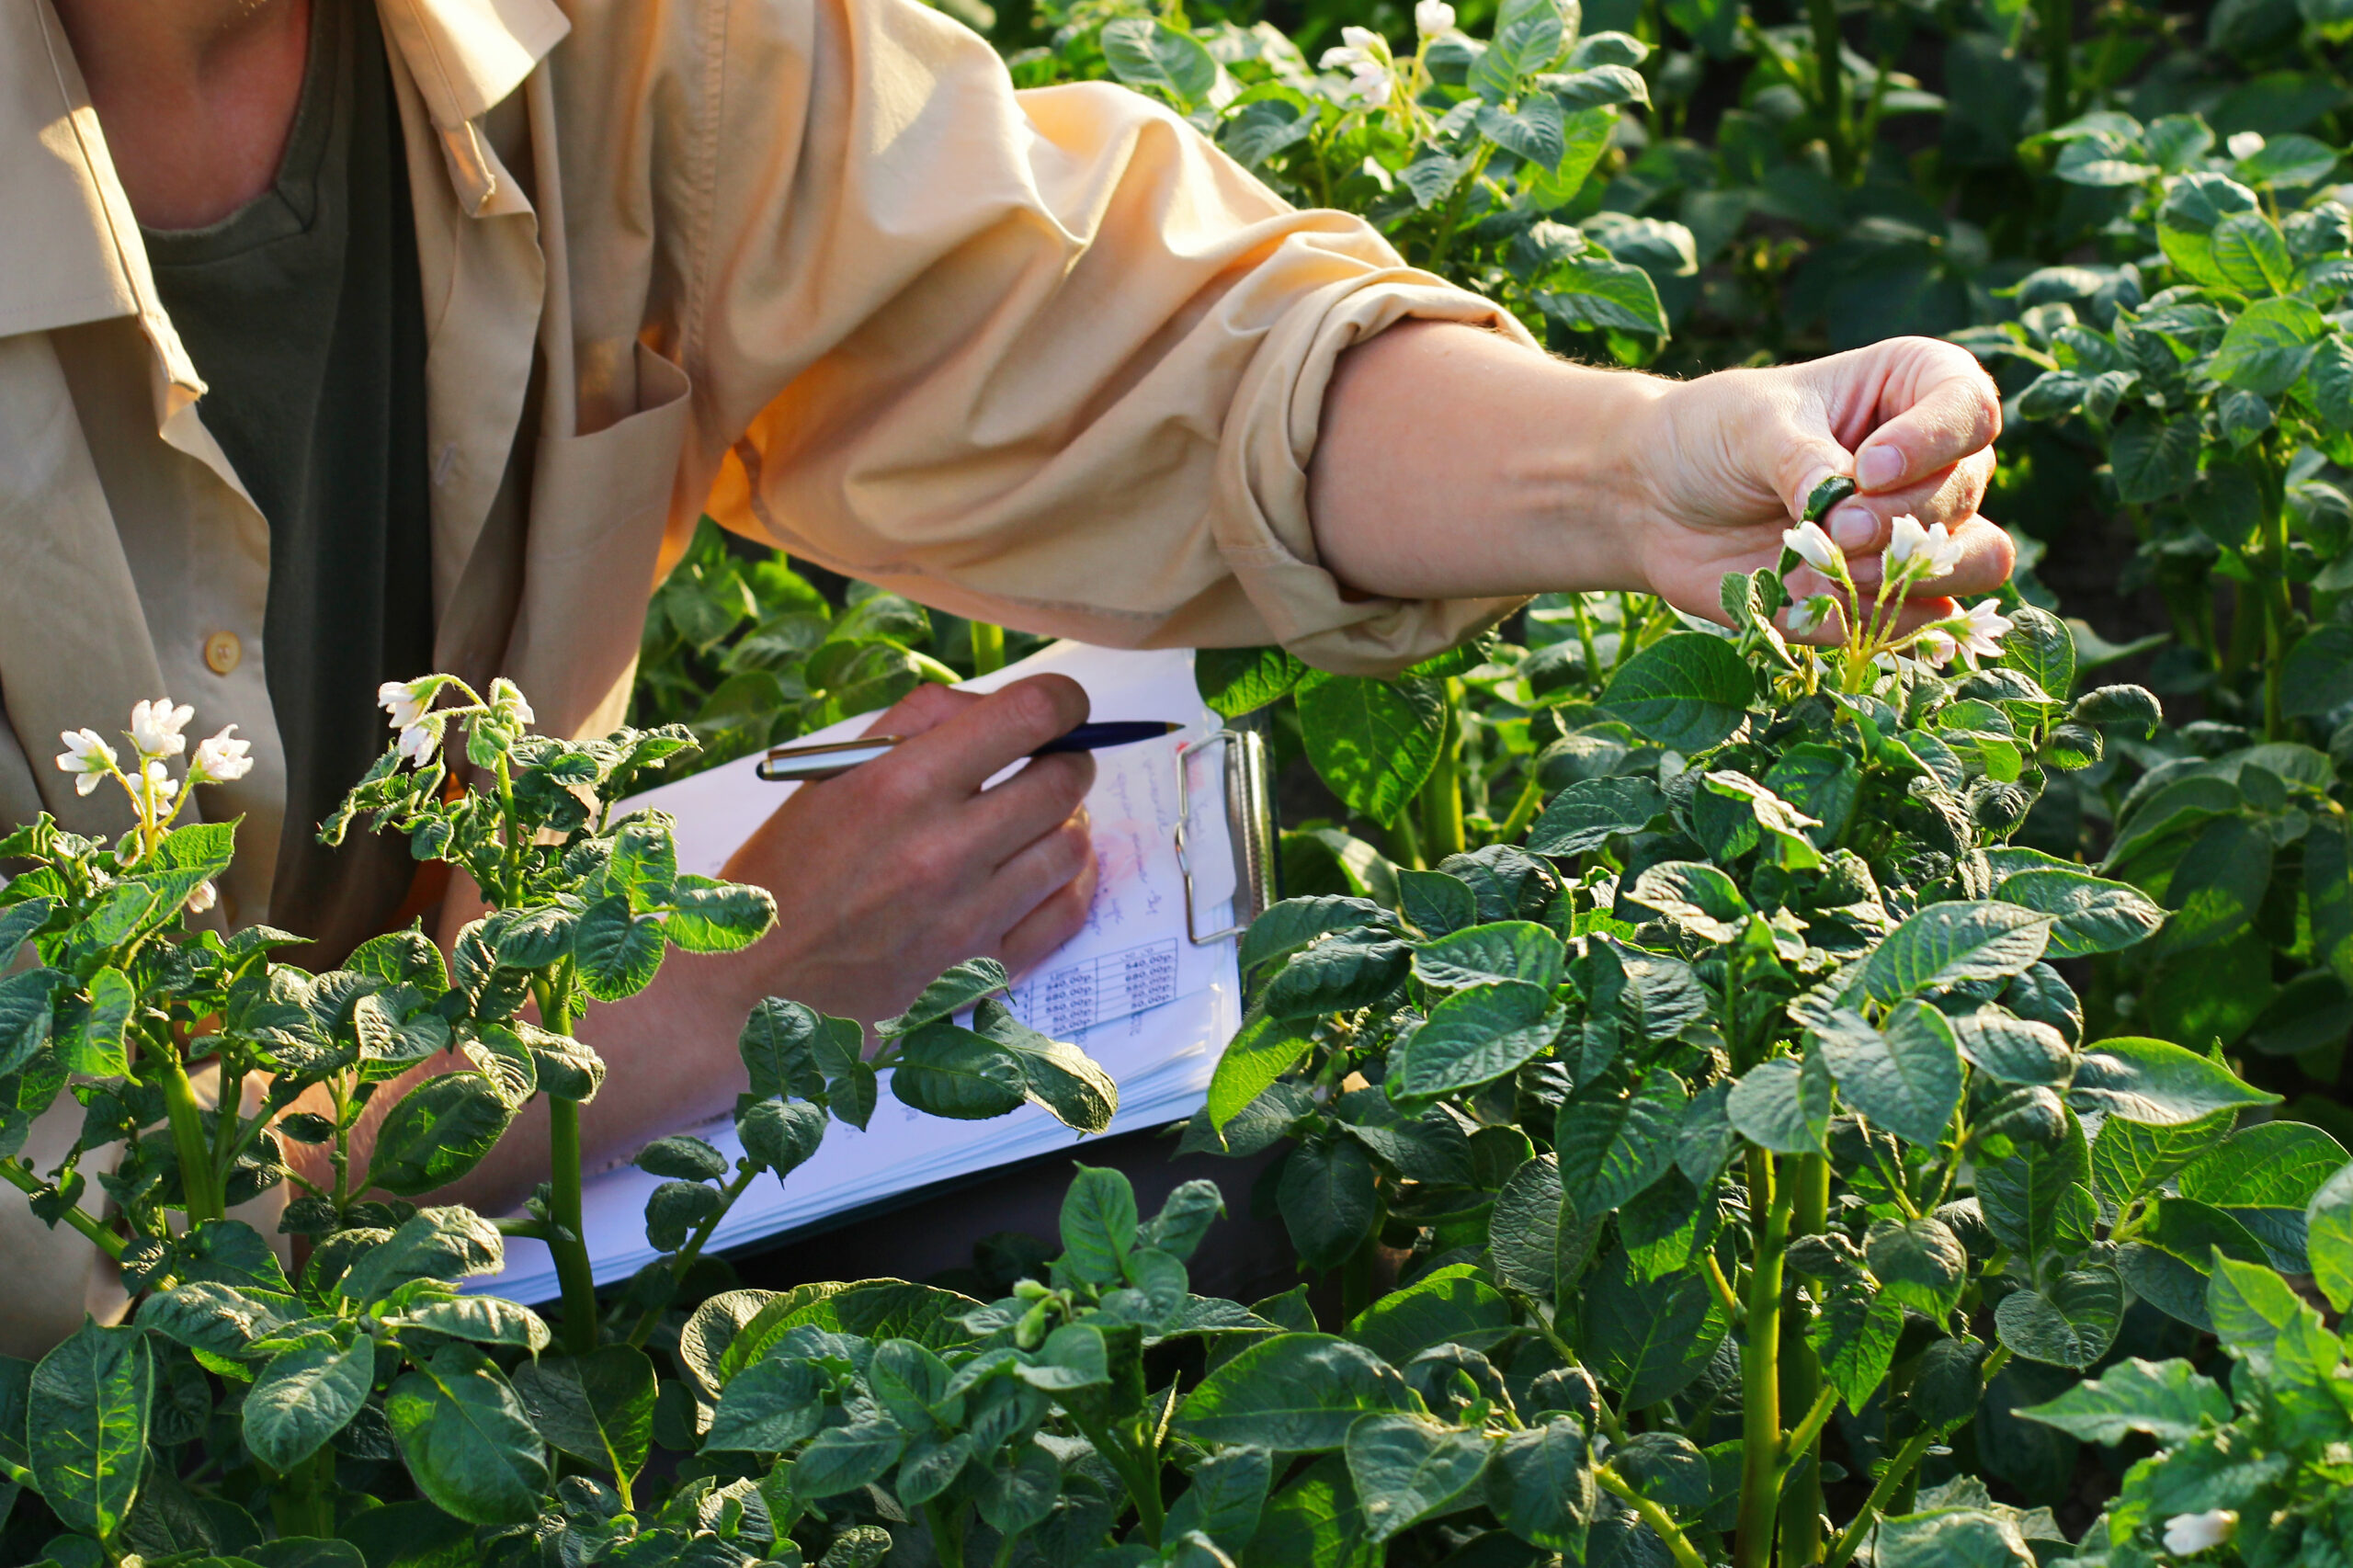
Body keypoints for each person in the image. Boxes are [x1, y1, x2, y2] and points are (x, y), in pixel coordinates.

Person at [0, 0, 2009, 1353]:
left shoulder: (593, 37)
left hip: (482, 1154)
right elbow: (48, 1213)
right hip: (129, 1339)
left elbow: (1073, 317)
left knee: (1166, 1219)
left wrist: (1632, 473)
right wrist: (697, 991)